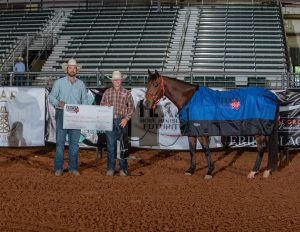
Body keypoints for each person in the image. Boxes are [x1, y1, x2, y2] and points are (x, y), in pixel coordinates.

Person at [49, 58, 88, 176]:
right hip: (62, 113)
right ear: (67, 69)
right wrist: (58, 103)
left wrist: (83, 111)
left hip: (76, 115)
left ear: (76, 70)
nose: (72, 69)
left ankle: (73, 168)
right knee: (60, 143)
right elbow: (51, 97)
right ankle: (58, 168)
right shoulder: (59, 82)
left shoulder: (81, 84)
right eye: (70, 68)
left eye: (74, 68)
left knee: (74, 144)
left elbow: (84, 100)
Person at [100, 71, 135, 176]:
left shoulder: (126, 92)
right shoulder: (107, 92)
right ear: (112, 81)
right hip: (109, 121)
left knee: (122, 146)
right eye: (115, 79)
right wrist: (105, 105)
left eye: (118, 79)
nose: (116, 81)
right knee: (111, 146)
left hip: (122, 121)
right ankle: (111, 168)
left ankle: (123, 169)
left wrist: (126, 118)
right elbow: (101, 105)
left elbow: (132, 107)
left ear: (121, 80)